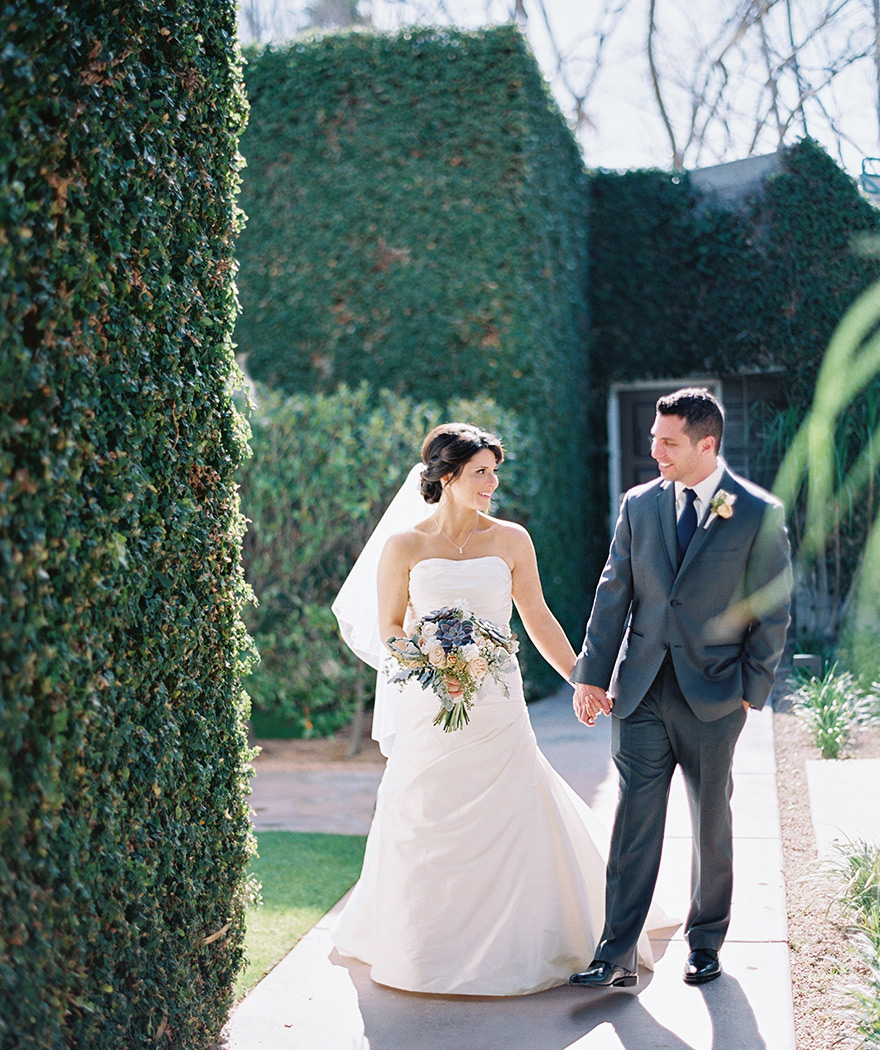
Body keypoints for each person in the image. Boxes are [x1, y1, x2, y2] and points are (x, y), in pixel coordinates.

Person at [331, 422, 670, 996]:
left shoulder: (511, 539)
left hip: (497, 707)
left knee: (512, 811)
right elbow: (390, 627)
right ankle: (424, 947)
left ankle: (520, 944)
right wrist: (430, 661)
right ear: (447, 477)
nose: (494, 482)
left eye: (495, 471)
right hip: (431, 707)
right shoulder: (405, 545)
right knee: (423, 815)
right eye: (482, 472)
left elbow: (536, 618)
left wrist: (582, 681)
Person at [568, 387, 792, 991]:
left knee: (709, 820)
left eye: (668, 442)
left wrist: (753, 690)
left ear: (707, 444)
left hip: (715, 695)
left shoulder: (755, 512)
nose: (655, 451)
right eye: (653, 440)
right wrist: (592, 675)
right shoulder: (639, 504)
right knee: (634, 817)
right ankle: (616, 952)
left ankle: (706, 941)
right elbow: (613, 591)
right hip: (639, 690)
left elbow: (771, 613)